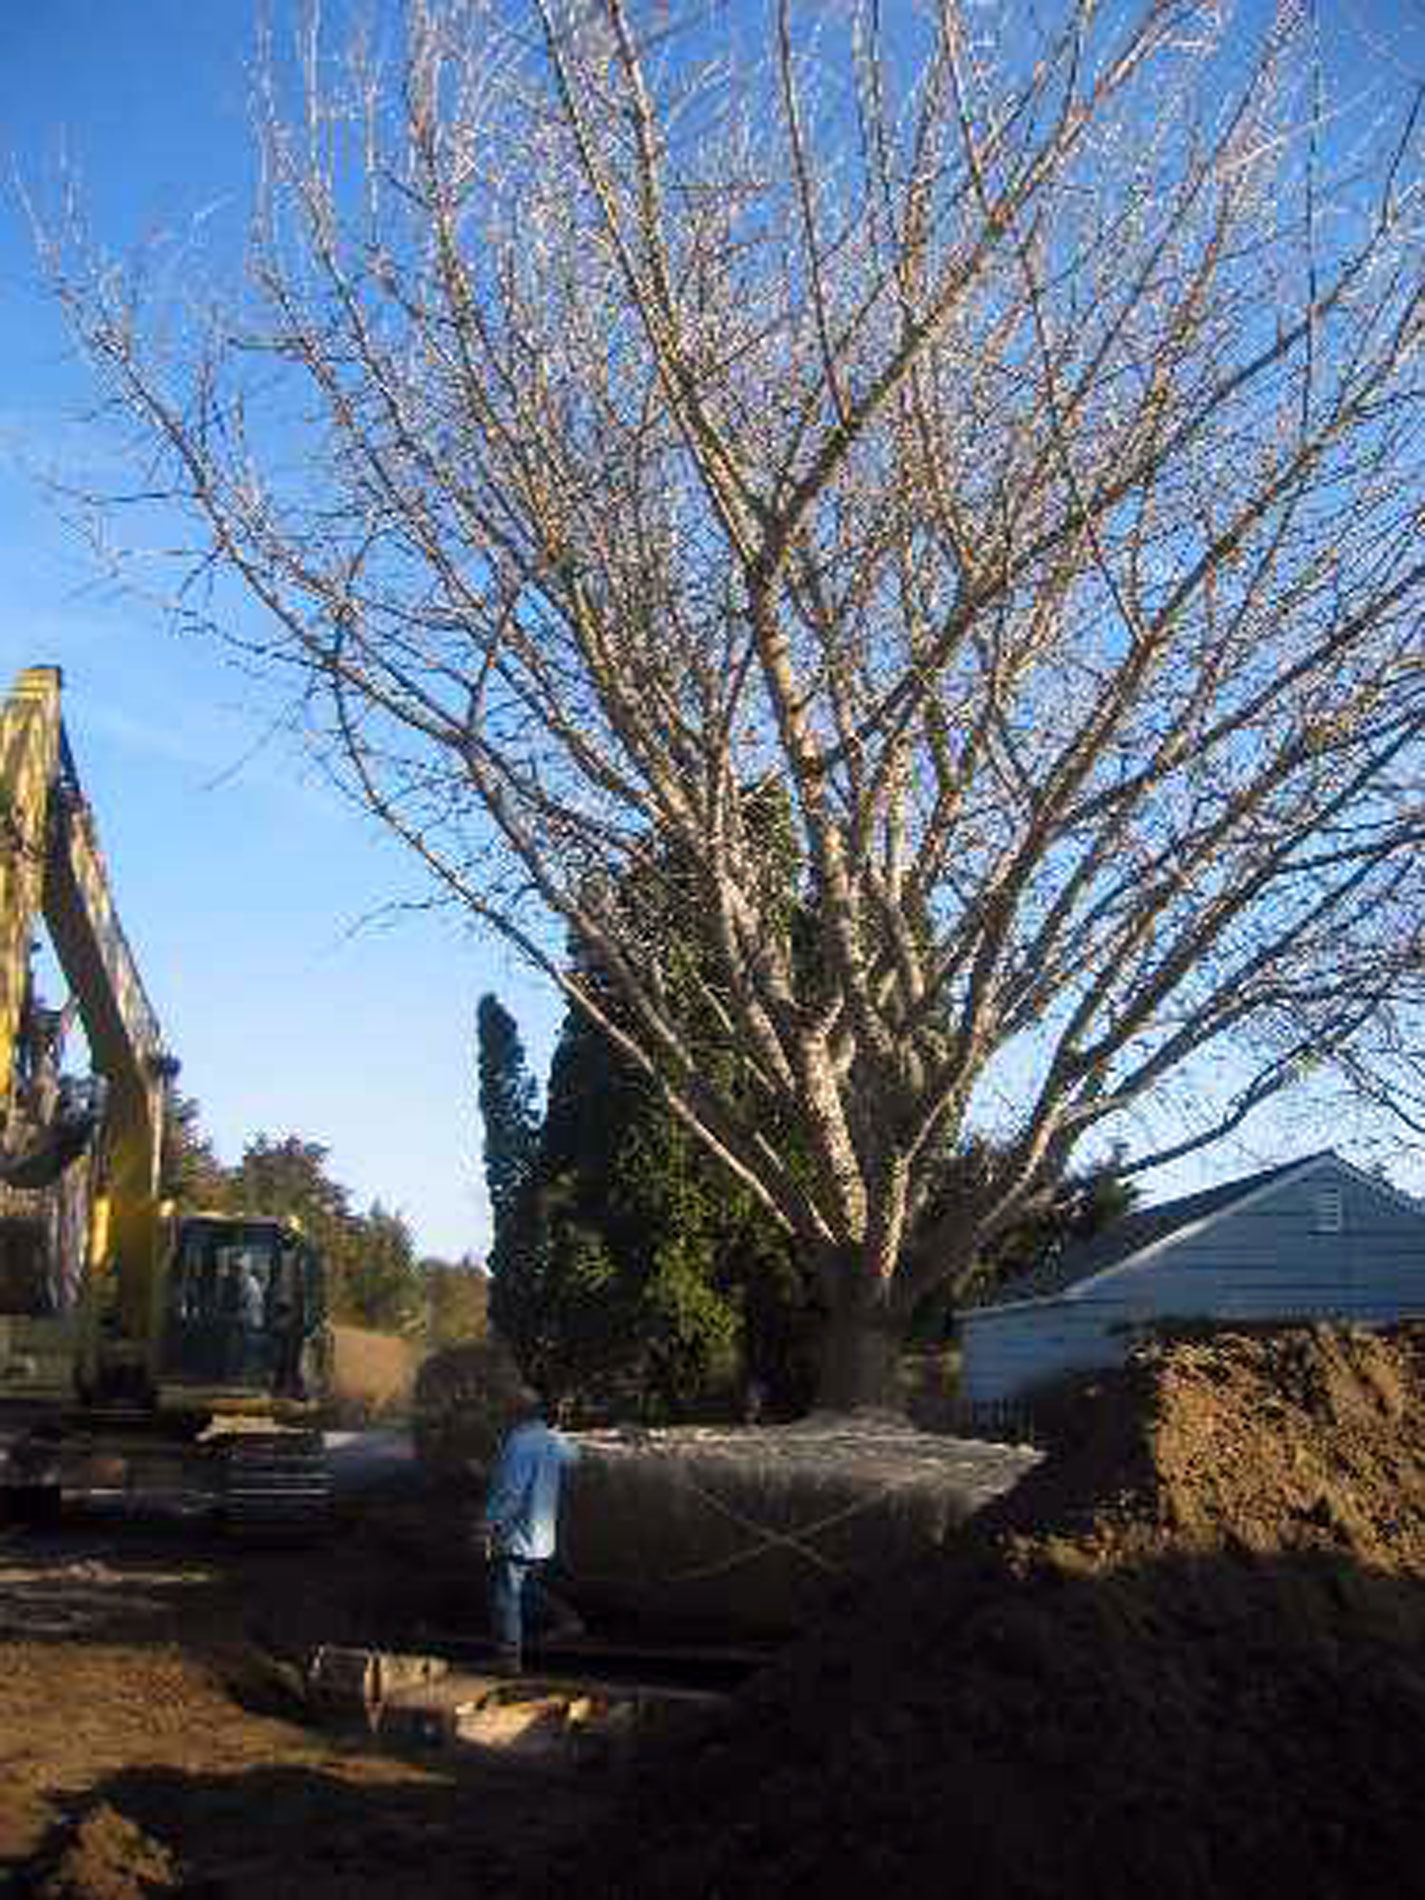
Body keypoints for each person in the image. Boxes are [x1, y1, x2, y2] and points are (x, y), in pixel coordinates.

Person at [481, 1384, 584, 1674]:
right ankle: (567, 1619)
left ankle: (509, 1658)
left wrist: (488, 1524)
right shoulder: (553, 1440)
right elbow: (575, 1458)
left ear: (517, 1414)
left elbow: (511, 1491)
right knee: (526, 1587)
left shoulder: (518, 1442)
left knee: (506, 1596)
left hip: (516, 1533)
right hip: (542, 1535)